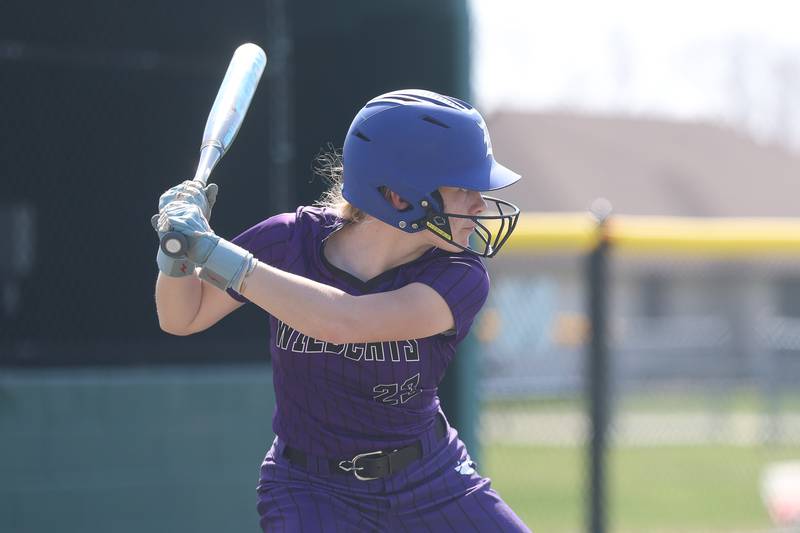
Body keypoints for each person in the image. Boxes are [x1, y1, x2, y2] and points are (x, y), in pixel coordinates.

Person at [153, 89, 530, 532]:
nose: (480, 205)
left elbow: (344, 321)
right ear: (399, 197)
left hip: (431, 478)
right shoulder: (287, 242)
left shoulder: (460, 275)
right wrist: (175, 253)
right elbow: (181, 317)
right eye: (464, 187)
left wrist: (218, 253)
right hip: (312, 490)